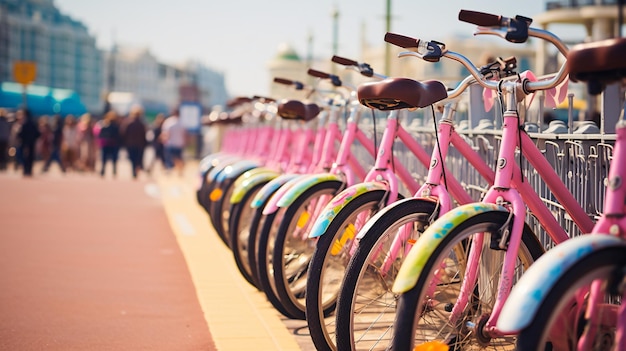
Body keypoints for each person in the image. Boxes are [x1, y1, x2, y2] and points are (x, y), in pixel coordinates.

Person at [120, 105, 148, 179]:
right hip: (139, 144)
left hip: (130, 143)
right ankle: (136, 169)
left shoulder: (128, 123)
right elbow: (144, 134)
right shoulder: (142, 123)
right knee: (137, 159)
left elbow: (123, 134)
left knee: (132, 159)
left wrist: (123, 143)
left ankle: (134, 171)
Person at [94, 110, 121, 177]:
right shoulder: (115, 125)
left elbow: (99, 134)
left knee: (104, 158)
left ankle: (103, 171)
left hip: (106, 143)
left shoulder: (104, 124)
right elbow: (118, 135)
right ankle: (112, 171)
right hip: (112, 143)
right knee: (113, 159)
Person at [161, 108, 187, 176]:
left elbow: (166, 134)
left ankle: (170, 172)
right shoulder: (182, 122)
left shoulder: (169, 122)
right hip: (179, 143)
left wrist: (163, 141)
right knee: (179, 159)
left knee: (169, 159)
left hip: (170, 143)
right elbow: (185, 134)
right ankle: (180, 172)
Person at [16, 108, 41, 177]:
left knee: (25, 156)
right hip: (31, 143)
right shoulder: (33, 123)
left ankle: (26, 170)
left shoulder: (25, 123)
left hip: (25, 143)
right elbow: (38, 133)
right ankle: (29, 170)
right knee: (30, 157)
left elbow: (21, 133)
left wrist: (21, 138)